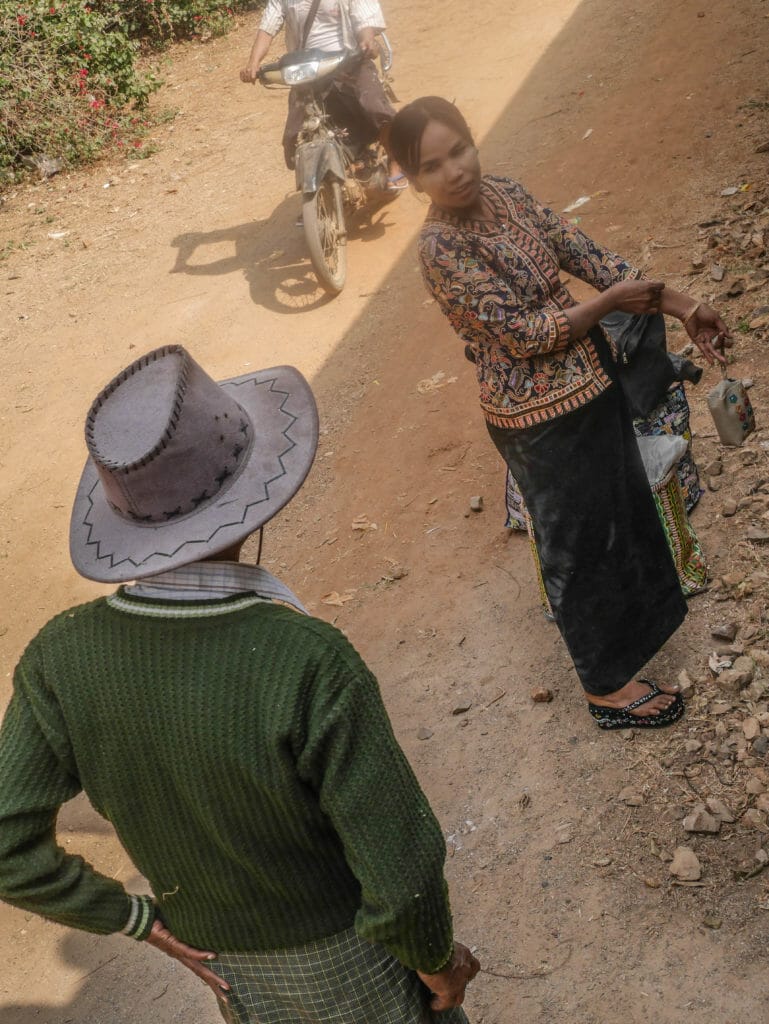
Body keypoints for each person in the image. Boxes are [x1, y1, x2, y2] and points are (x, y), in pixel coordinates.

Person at [0, 345, 479, 1022]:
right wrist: (438, 963)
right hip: (349, 964)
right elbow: (400, 876)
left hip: (227, 970)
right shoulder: (307, 659)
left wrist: (135, 918)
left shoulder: (58, 655)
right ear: (253, 499)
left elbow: (5, 842)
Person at [387, 96, 732, 731]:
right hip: (534, 418)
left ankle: (636, 638)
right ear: (413, 181)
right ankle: (605, 687)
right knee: (575, 543)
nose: (455, 171)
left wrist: (683, 304)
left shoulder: (508, 195)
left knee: (621, 512)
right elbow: (524, 334)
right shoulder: (441, 249)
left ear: (473, 140)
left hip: (593, 382)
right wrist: (607, 305)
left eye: (459, 149)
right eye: (431, 166)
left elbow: (588, 256)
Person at [240, 0, 406, 187]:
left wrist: (366, 40)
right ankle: (314, 184)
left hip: (348, 61)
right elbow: (267, 28)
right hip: (308, 70)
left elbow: (364, 18)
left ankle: (396, 158)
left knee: (374, 106)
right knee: (294, 134)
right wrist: (253, 63)